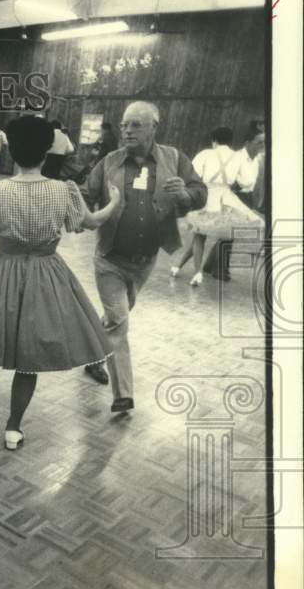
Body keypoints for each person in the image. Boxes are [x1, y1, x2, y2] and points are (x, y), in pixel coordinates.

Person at [0, 116, 120, 449]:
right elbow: (88, 223)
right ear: (46, 153)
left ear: (12, 151)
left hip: (2, 271)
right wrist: (115, 201)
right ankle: (13, 427)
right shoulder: (64, 190)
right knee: (30, 353)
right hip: (47, 274)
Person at [83, 101, 207, 414]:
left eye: (136, 125)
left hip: (145, 261)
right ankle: (123, 394)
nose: (127, 130)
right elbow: (86, 193)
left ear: (154, 126)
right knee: (121, 323)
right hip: (109, 258)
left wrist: (186, 196)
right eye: (124, 125)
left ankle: (91, 356)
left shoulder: (174, 158)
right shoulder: (109, 161)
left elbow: (200, 191)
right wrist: (75, 212)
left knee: (115, 319)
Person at [170, 126, 263, 285]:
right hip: (226, 199)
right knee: (201, 234)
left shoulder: (206, 154)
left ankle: (198, 273)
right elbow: (247, 181)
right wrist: (232, 184)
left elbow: (192, 174)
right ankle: (178, 266)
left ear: (214, 140)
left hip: (205, 195)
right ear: (230, 141)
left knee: (199, 235)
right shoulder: (237, 157)